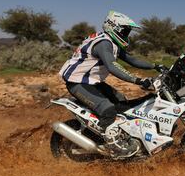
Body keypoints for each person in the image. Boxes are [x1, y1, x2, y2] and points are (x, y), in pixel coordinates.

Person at [59, 11, 164, 157]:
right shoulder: (104, 43)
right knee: (108, 111)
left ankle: (124, 137)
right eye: (125, 31)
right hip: (77, 83)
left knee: (121, 103)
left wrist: (155, 65)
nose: (127, 35)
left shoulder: (111, 42)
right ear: (114, 27)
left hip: (91, 82)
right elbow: (112, 66)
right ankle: (108, 147)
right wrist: (137, 80)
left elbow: (131, 60)